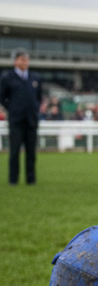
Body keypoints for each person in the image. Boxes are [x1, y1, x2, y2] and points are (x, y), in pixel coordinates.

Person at [0, 49, 42, 186]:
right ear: (15, 61)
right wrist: (12, 108)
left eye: (26, 59)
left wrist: (34, 109)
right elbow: (2, 97)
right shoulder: (7, 77)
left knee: (31, 152)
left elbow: (38, 97)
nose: (24, 62)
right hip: (16, 121)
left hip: (31, 120)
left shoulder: (35, 77)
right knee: (14, 151)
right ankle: (13, 180)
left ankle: (31, 179)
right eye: (21, 59)